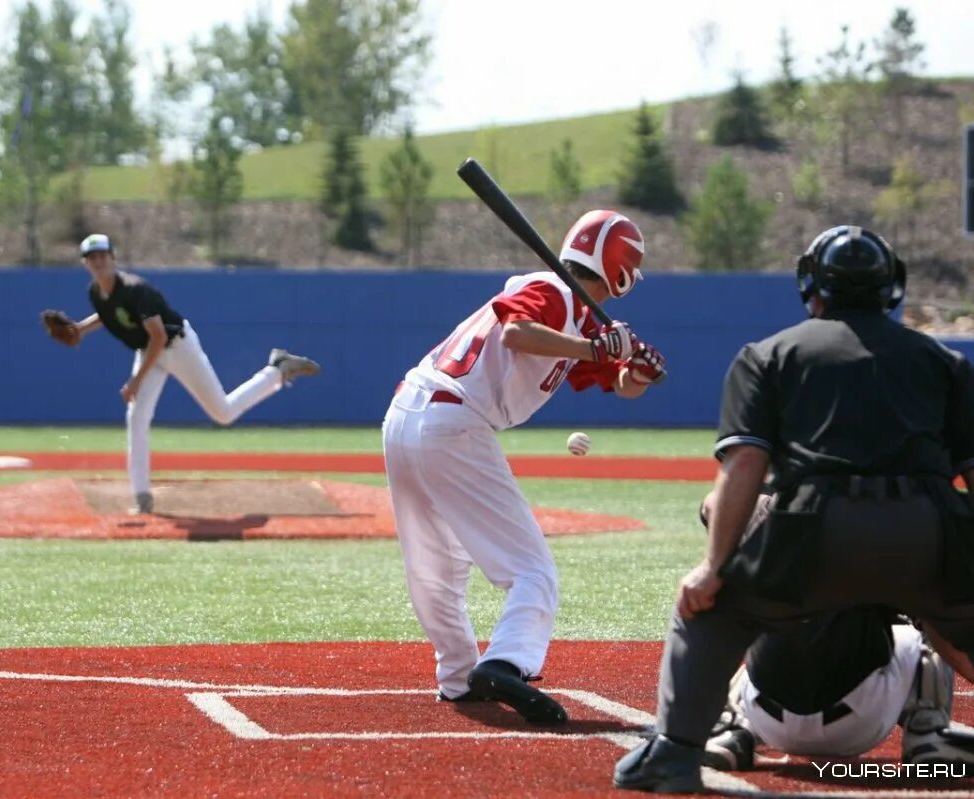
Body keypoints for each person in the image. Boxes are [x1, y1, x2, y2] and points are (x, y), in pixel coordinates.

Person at [614, 225, 974, 793]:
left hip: (812, 529)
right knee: (950, 616)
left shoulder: (767, 355)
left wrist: (713, 569)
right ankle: (928, 730)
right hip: (926, 527)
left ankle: (675, 753)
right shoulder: (946, 362)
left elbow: (744, 468)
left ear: (812, 285)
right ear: (892, 287)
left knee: (708, 609)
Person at [382, 210, 666, 723]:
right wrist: (593, 346)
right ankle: (507, 662)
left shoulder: (578, 315)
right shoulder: (554, 292)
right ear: (619, 267)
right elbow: (518, 332)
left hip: (408, 415)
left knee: (438, 565)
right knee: (533, 571)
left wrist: (637, 369)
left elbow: (623, 384)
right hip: (454, 422)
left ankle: (458, 676)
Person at [695, 492, 974, 771]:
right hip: (861, 720)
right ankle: (928, 731)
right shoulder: (897, 524)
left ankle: (733, 727)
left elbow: (713, 502)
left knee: (751, 624)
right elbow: (946, 631)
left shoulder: (768, 507)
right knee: (924, 621)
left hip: (766, 717)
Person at [48, 233, 320, 514]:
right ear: (85, 264)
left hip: (177, 347)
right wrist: (80, 328)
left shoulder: (136, 289)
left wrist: (136, 381)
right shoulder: (95, 293)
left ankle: (277, 370)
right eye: (92, 257)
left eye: (103, 255)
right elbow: (109, 314)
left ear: (113, 258)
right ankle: (142, 497)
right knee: (137, 417)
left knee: (222, 413)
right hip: (149, 351)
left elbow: (158, 336)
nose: (99, 261)